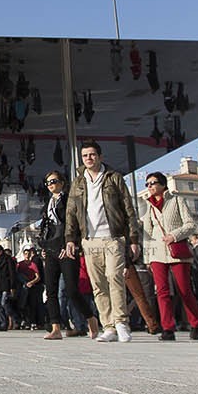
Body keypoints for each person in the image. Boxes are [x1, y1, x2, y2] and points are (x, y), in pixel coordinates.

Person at [64, 139, 141, 342]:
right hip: (89, 240)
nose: (89, 158)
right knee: (98, 285)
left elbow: (128, 209)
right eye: (85, 156)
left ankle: (121, 322)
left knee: (114, 277)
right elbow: (71, 212)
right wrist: (71, 239)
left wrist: (133, 238)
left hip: (113, 238)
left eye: (92, 154)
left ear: (100, 156)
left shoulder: (114, 178)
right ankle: (108, 327)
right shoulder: (79, 182)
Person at [140, 173, 198, 340]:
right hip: (157, 253)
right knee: (162, 291)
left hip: (177, 251)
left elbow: (191, 224)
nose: (150, 186)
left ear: (163, 184)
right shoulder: (148, 206)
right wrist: (147, 258)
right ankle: (168, 328)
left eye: (153, 183)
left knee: (184, 289)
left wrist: (174, 235)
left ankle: (195, 323)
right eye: (147, 184)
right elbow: (147, 233)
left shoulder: (176, 200)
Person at [39, 171, 91, 339]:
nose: (50, 185)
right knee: (51, 290)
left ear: (62, 182)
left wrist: (70, 242)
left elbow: (73, 223)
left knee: (72, 289)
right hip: (51, 249)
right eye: (48, 182)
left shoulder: (69, 199)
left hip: (67, 247)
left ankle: (91, 319)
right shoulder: (47, 202)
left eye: (54, 181)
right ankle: (56, 327)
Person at [0, 241, 20, 331]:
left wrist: (12, 286)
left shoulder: (8, 259)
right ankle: (3, 323)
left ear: (0, 251)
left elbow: (12, 273)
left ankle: (15, 318)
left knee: (4, 303)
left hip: (6, 284)